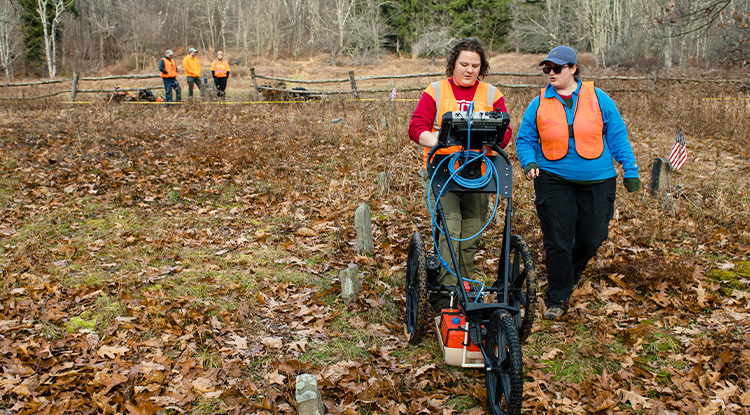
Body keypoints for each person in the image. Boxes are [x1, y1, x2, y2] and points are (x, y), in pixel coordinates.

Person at [515, 45, 640, 320]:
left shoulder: (599, 98)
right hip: (553, 179)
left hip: (598, 179)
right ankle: (558, 297)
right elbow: (524, 140)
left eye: (556, 68)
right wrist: (530, 163)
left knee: (593, 237)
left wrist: (630, 169)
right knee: (557, 240)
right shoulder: (538, 103)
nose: (551, 73)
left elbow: (618, 135)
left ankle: (566, 276)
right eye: (547, 69)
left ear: (573, 69)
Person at [408, 37, 512, 312]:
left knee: (472, 229)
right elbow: (416, 126)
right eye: (464, 64)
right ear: (453, 64)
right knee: (451, 227)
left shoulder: (492, 95)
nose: (469, 70)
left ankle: (463, 283)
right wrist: (439, 141)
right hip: (442, 170)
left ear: (482, 68)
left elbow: (505, 131)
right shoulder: (436, 90)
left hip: (478, 171)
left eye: (475, 66)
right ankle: (445, 293)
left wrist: (492, 141)